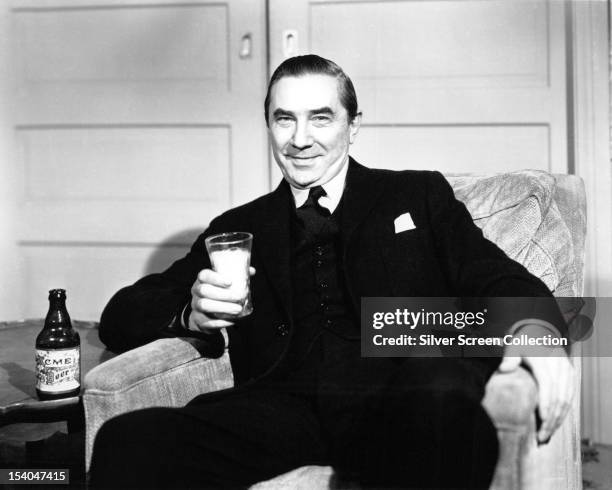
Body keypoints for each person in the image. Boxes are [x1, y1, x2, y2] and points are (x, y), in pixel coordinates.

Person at [90, 55, 574, 489]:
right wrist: (189, 315)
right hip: (281, 407)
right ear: (269, 126)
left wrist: (540, 331)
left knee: (441, 391)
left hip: (400, 396)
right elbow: (121, 311)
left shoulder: (416, 197)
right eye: (285, 120)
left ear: (353, 125)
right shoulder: (239, 227)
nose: (301, 140)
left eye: (320, 118)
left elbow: (493, 275)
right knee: (129, 440)